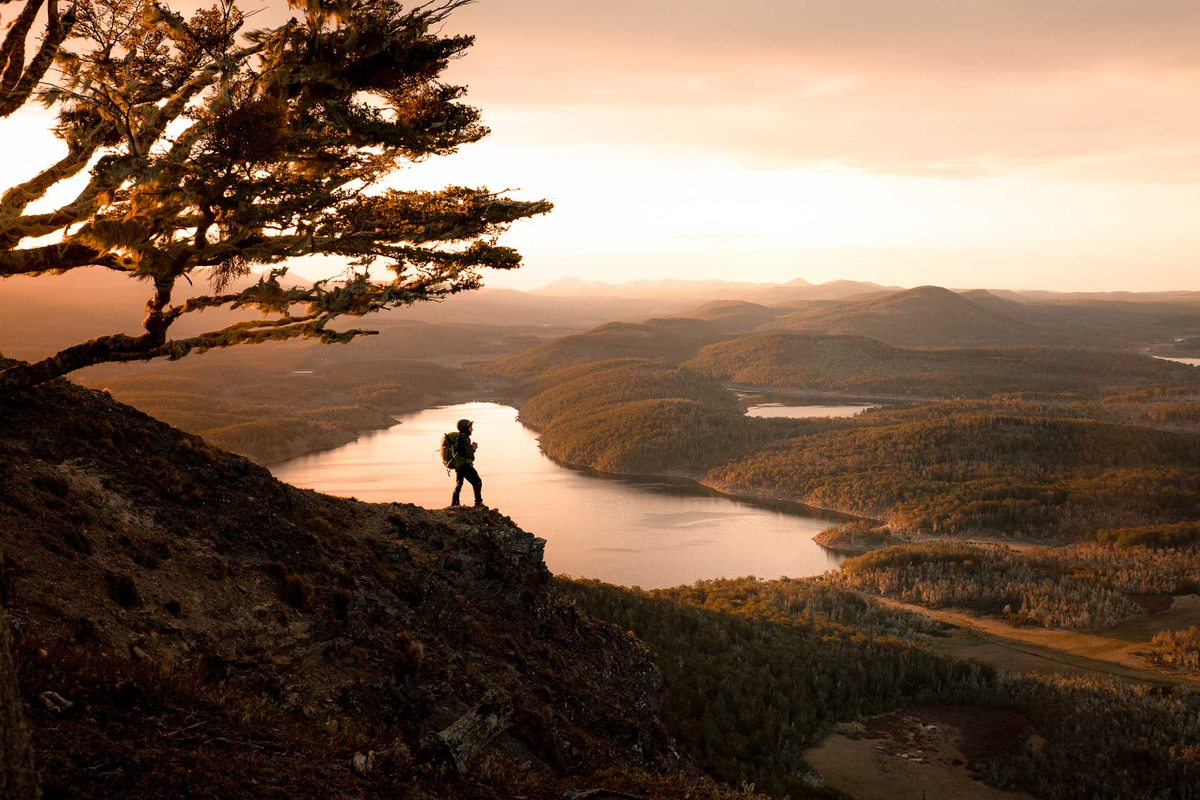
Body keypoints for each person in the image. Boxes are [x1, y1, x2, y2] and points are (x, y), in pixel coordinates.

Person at [451, 418, 484, 507]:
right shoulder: (465, 439)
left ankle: (455, 503)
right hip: (466, 466)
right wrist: (474, 448)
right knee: (477, 482)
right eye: (470, 427)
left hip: (459, 466)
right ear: (465, 428)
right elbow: (468, 454)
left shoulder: (459, 438)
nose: (472, 429)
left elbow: (461, 451)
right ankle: (478, 502)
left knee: (459, 484)